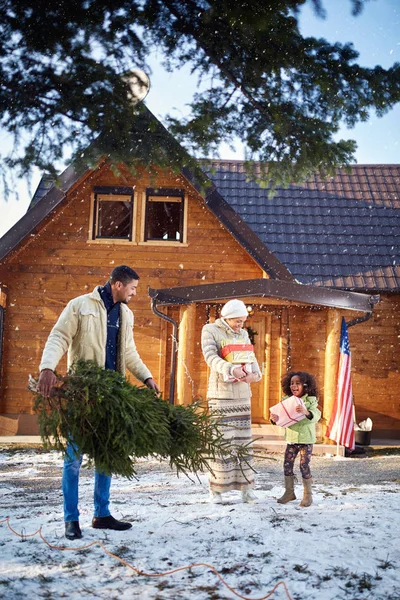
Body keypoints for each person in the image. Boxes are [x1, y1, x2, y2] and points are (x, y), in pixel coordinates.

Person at [37, 265, 160, 540]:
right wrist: (48, 367)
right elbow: (59, 336)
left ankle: (101, 514)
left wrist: (147, 377)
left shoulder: (125, 314)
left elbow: (128, 352)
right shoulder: (80, 306)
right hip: (83, 394)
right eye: (132, 288)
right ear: (117, 284)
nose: (134, 293)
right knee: (73, 459)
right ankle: (71, 519)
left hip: (111, 394)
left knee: (108, 455)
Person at [201, 299, 262, 504]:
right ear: (227, 317)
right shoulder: (210, 330)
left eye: (243, 321)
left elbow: (250, 357)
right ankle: (216, 489)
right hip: (221, 395)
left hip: (242, 395)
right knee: (221, 443)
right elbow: (210, 356)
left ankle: (247, 489)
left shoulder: (243, 333)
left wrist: (256, 374)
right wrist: (230, 369)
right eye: (237, 321)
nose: (240, 325)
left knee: (243, 443)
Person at [271, 371, 321, 507]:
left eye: (297, 383)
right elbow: (280, 416)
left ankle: (308, 495)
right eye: (292, 383)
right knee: (287, 464)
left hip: (306, 440)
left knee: (304, 465)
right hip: (292, 439)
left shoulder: (310, 401)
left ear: (305, 386)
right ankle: (289, 492)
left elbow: (316, 415)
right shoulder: (287, 401)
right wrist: (274, 419)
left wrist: (306, 412)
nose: (294, 386)